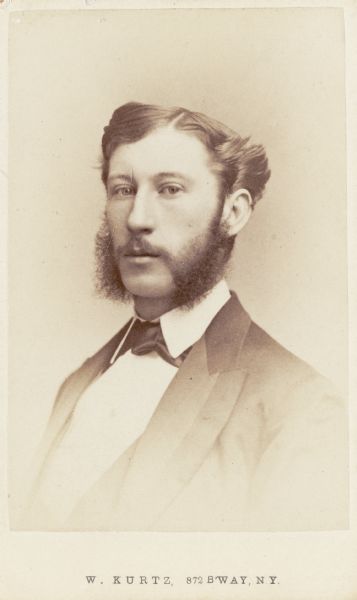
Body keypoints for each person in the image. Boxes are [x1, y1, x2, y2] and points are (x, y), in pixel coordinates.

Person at [22, 102, 348, 531]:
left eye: (170, 189)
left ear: (233, 213)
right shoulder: (77, 383)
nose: (138, 218)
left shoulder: (298, 406)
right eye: (123, 189)